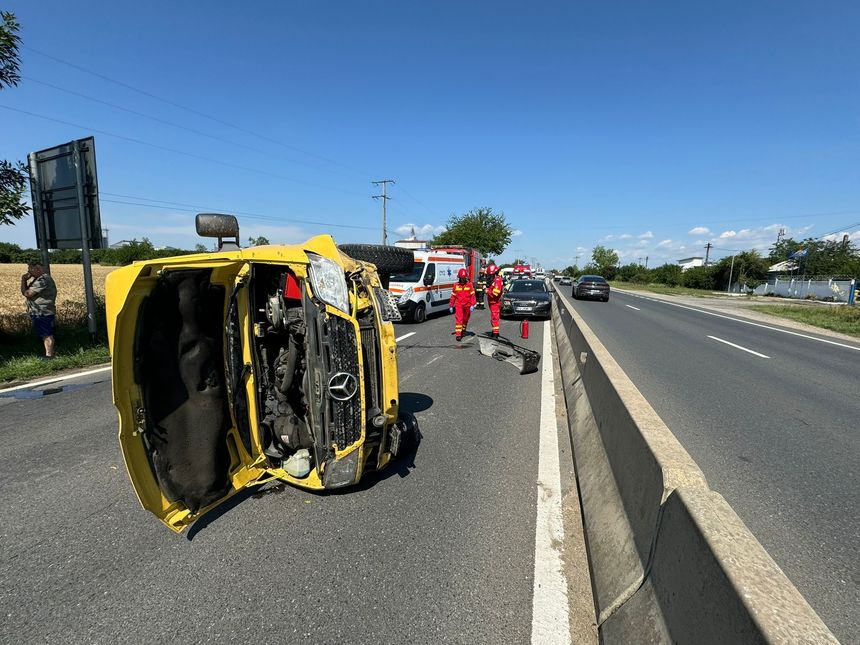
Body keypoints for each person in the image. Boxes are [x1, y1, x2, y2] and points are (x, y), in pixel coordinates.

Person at [21, 261, 57, 360]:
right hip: (40, 311)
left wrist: (23, 279)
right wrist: (24, 281)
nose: (29, 272)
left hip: (42, 311)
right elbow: (25, 292)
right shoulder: (38, 279)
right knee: (45, 333)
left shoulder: (43, 279)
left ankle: (49, 356)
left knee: (46, 334)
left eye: (30, 269)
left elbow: (28, 293)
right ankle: (49, 354)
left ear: (38, 269)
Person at [448, 268, 476, 341]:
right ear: (459, 278)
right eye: (462, 278)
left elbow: (472, 296)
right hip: (459, 305)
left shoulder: (469, 285)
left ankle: (463, 329)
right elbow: (453, 296)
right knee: (459, 319)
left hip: (468, 305)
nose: (463, 280)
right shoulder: (456, 285)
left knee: (465, 319)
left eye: (464, 278)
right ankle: (458, 334)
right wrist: (451, 305)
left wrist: (473, 304)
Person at [485, 263, 504, 338]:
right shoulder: (496, 280)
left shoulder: (497, 280)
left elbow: (496, 293)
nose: (489, 276)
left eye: (490, 274)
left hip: (495, 302)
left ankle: (495, 334)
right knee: (493, 318)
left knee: (494, 318)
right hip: (493, 302)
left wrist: (487, 291)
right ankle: (494, 331)